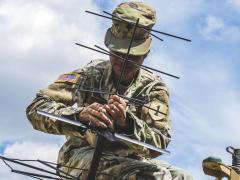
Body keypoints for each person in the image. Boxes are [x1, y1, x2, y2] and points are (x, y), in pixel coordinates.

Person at [26, 2, 193, 180]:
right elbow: (36, 109)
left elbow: (159, 142)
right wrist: (79, 115)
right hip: (82, 156)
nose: (123, 62)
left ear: (146, 53)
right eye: (117, 53)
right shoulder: (90, 74)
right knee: (142, 177)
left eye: (132, 56)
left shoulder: (153, 89)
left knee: (182, 177)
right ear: (109, 48)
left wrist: (127, 123)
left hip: (132, 159)